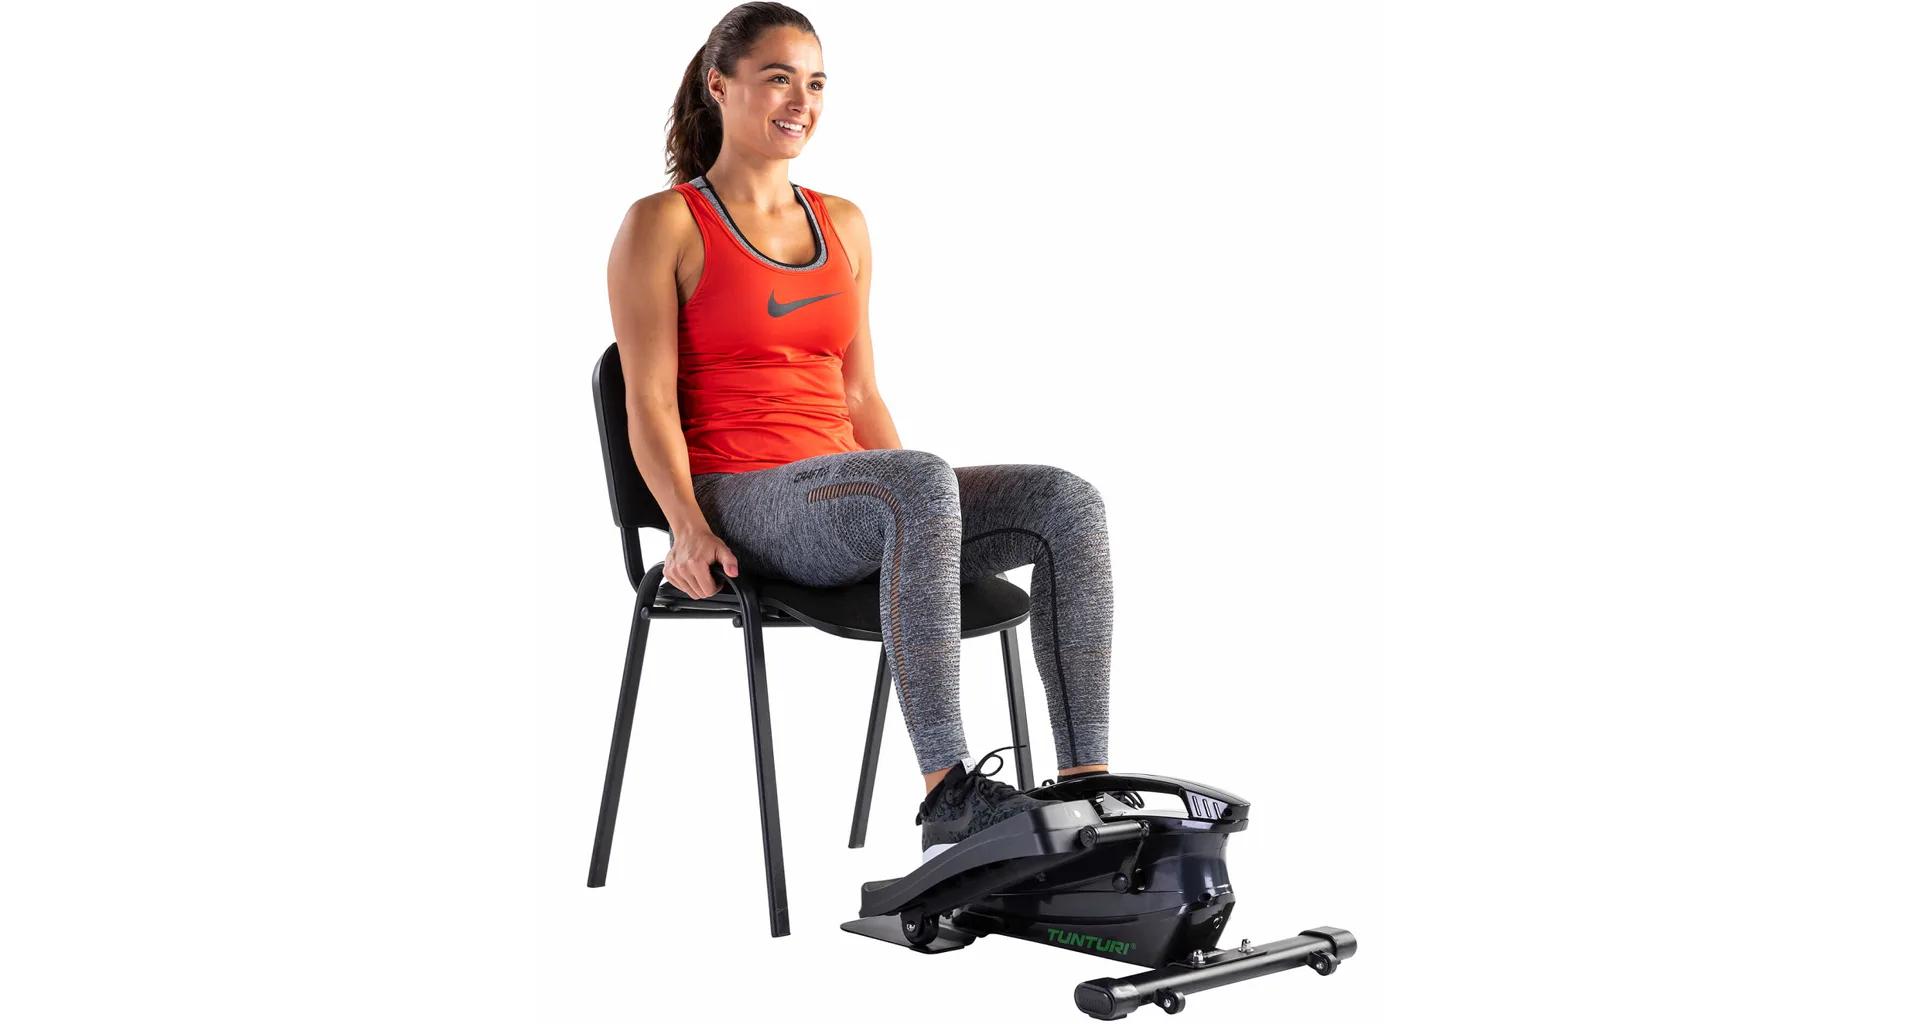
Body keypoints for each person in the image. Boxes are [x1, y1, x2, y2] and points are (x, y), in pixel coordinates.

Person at [605, 2, 1116, 862]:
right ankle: (949, 793)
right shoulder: (664, 224)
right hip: (741, 498)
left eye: (814, 84)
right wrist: (686, 526)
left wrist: (929, 513)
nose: (799, 102)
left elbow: (860, 391)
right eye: (777, 79)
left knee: (1065, 501)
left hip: (845, 498)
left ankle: (1085, 788)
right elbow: (646, 401)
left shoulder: (842, 222)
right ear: (718, 85)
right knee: (914, 481)